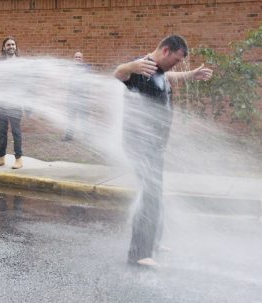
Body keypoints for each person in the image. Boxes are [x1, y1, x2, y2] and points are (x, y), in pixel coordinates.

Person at [114, 35, 213, 266]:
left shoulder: (159, 71)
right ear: (166, 50)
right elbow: (119, 74)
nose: (177, 65)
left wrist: (190, 74)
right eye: (176, 60)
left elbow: (168, 75)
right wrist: (130, 66)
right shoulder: (142, 68)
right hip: (139, 145)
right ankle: (139, 254)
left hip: (154, 147)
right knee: (149, 195)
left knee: (155, 195)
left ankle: (153, 242)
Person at [0, 36, 24, 169]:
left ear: (16, 47)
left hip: (15, 104)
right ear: (4, 48)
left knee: (16, 132)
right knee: (2, 133)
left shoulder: (21, 64)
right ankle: (1, 158)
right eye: (8, 45)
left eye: (13, 44)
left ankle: (19, 160)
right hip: (1, 104)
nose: (11, 47)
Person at [63, 51, 91, 142]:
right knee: (70, 117)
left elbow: (89, 83)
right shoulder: (70, 69)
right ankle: (68, 136)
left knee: (84, 118)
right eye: (76, 57)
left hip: (83, 98)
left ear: (82, 59)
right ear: (73, 59)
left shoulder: (87, 69)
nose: (78, 59)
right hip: (71, 97)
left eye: (79, 57)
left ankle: (86, 137)